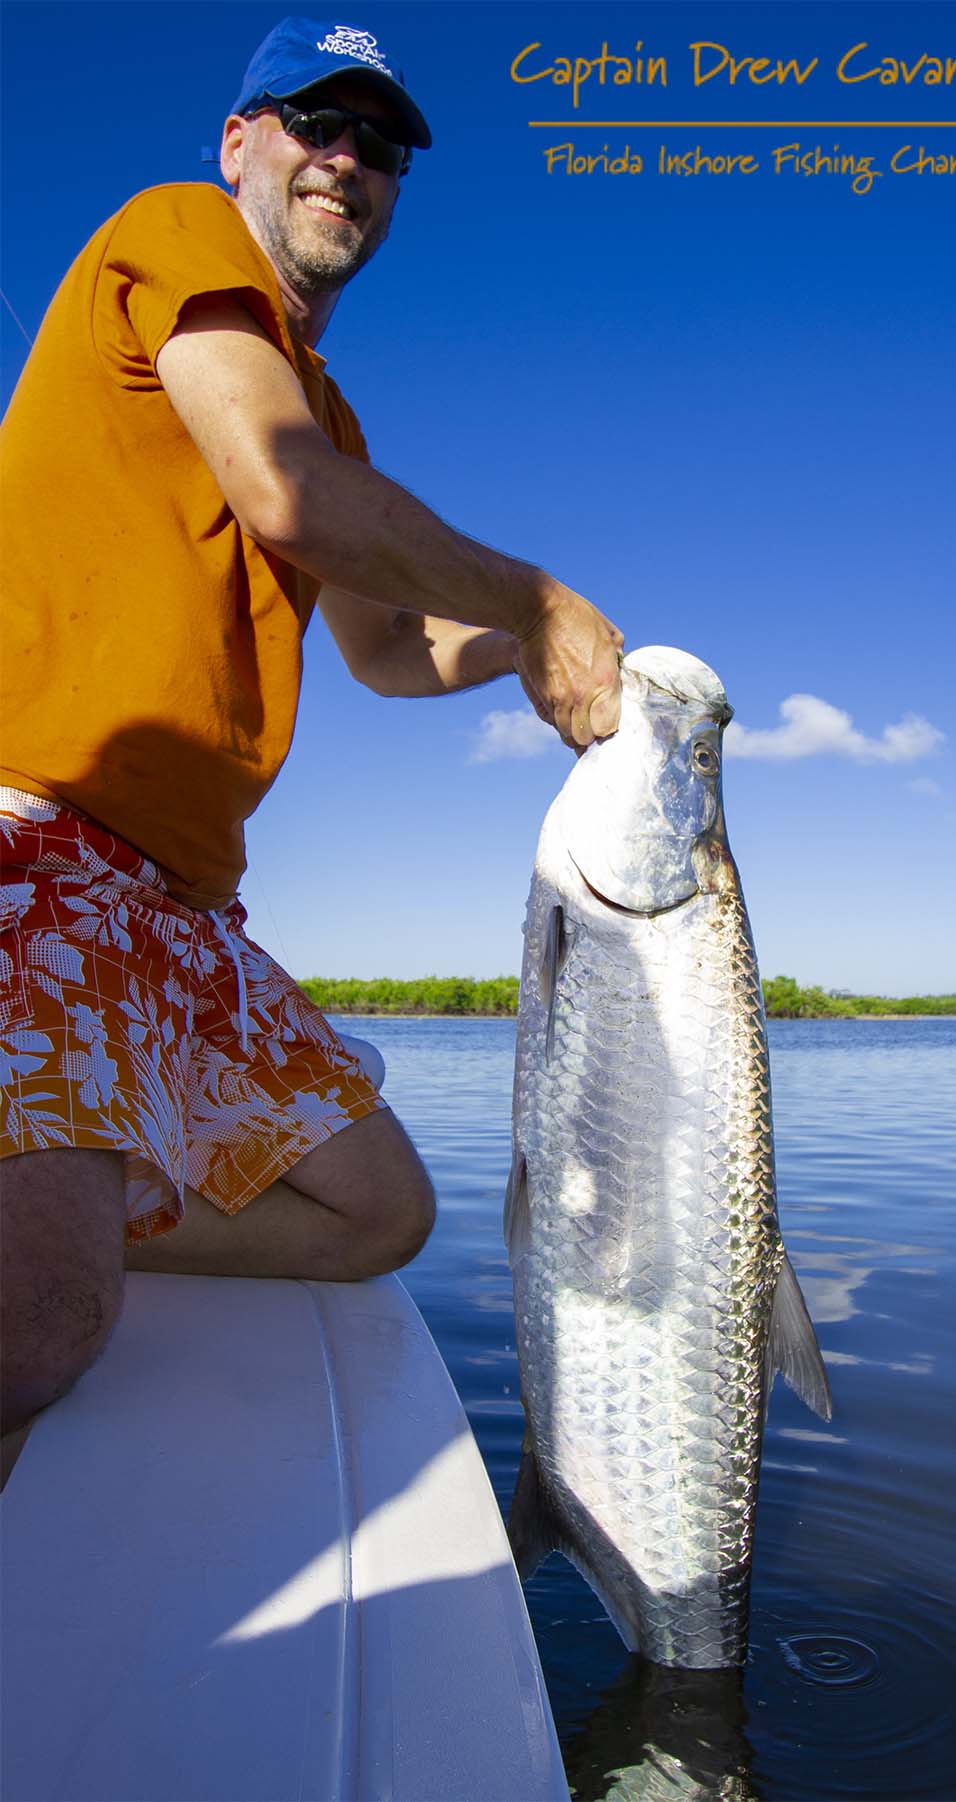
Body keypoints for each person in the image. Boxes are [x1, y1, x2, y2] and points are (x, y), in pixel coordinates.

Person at [0, 16, 622, 1446]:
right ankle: (49, 1233)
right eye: (313, 121)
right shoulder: (174, 233)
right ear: (239, 143)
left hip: (178, 906)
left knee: (379, 1212)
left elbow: (393, 650)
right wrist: (537, 600)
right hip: (35, 835)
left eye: (380, 141)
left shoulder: (325, 408)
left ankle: (66, 1206)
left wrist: (586, 653)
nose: (346, 157)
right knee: (40, 1332)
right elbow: (287, 496)